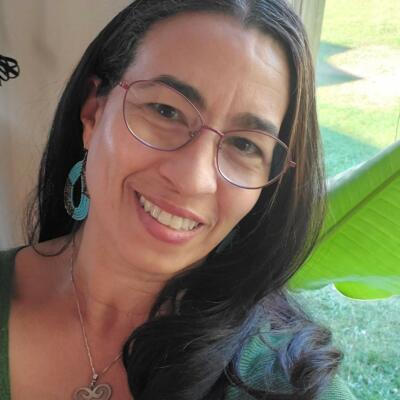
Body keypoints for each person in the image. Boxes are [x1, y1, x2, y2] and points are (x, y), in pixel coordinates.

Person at [0, 0, 357, 399]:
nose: (193, 179)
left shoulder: (292, 382)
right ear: (93, 113)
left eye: (244, 144)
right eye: (165, 110)